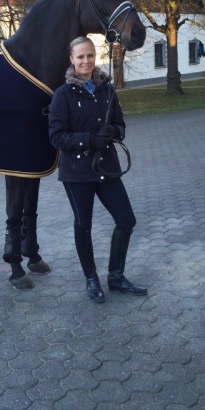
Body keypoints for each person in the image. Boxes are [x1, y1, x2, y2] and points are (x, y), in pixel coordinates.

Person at [48, 36, 147, 303]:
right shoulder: (62, 95)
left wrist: (113, 131)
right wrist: (90, 138)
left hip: (107, 167)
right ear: (72, 60)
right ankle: (91, 278)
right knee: (84, 225)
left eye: (89, 55)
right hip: (77, 172)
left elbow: (120, 125)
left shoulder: (107, 90)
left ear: (95, 56)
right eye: (80, 56)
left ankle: (115, 277)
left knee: (126, 220)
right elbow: (57, 137)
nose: (86, 61)